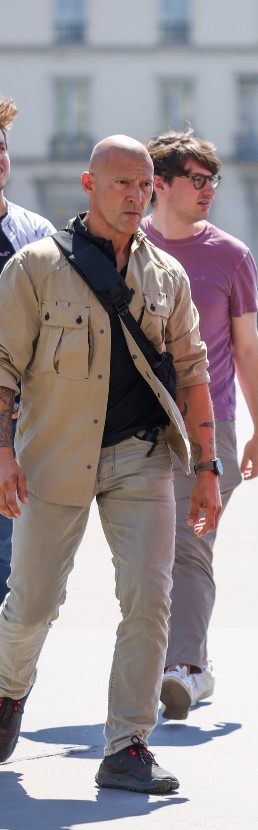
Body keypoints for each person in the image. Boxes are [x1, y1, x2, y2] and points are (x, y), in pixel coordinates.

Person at [0, 136, 221, 793]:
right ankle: (9, 691)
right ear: (89, 184)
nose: (134, 195)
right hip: (53, 456)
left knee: (149, 599)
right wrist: (2, 454)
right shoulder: (36, 267)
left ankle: (127, 745)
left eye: (143, 184)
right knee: (33, 605)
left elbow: (193, 372)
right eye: (120, 183)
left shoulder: (166, 277)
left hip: (142, 458)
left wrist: (206, 469)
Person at [142, 131, 258, 720]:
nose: (208, 190)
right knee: (148, 551)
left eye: (212, 179)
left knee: (192, 542)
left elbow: (247, 347)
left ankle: (185, 667)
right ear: (159, 185)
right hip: (133, 423)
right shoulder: (124, 245)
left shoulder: (231, 255)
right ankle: (177, 662)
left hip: (209, 424)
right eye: (196, 179)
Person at [0, 95, 55, 603]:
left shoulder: (35, 234)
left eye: (1, 148)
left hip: (19, 421)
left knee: (13, 561)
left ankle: (9, 680)